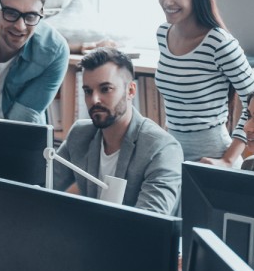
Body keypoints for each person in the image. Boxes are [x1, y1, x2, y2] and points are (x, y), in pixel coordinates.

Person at [53, 47, 183, 215]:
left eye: (105, 89)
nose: (94, 100)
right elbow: (43, 185)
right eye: (88, 91)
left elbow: (149, 223)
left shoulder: (162, 149)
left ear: (130, 91)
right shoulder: (80, 134)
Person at [155, 0, 254, 166]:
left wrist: (227, 160)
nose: (167, 1)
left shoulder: (219, 42)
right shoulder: (163, 34)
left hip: (213, 156)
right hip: (172, 153)